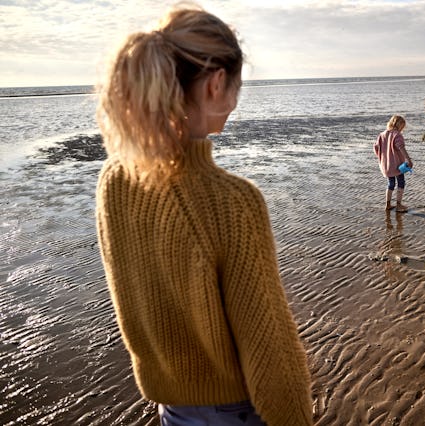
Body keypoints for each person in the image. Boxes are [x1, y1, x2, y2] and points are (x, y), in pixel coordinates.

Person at [94, 4, 313, 425]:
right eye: (236, 86)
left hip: (172, 409)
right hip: (234, 412)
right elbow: (269, 348)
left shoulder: (114, 178)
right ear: (216, 84)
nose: (235, 101)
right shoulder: (233, 202)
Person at [374, 115, 413, 213]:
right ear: (399, 125)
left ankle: (387, 204)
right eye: (402, 126)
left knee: (390, 183)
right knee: (401, 182)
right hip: (397, 165)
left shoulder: (381, 134)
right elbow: (401, 147)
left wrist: (383, 157)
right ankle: (399, 205)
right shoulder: (397, 135)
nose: (402, 129)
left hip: (386, 165)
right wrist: (408, 159)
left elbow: (376, 148)